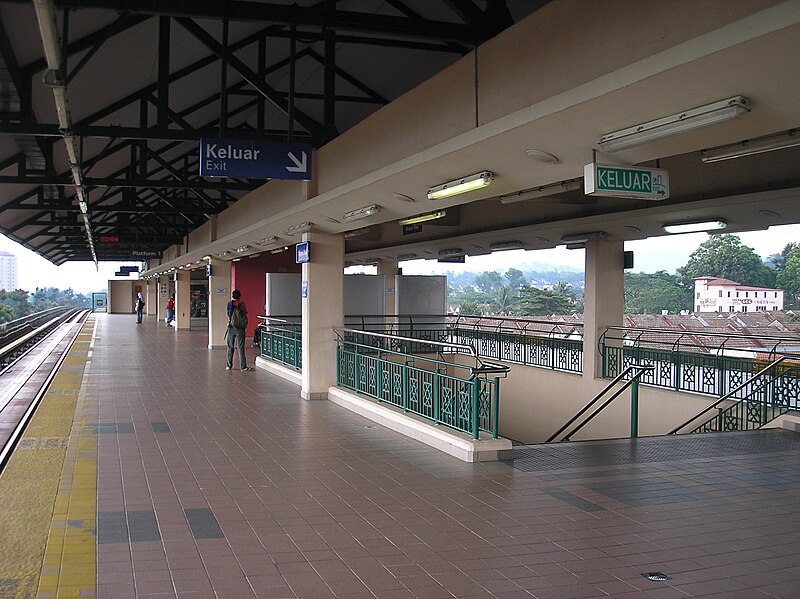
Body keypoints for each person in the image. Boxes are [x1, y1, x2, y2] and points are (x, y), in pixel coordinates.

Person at [226, 289, 252, 371]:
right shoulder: (242, 304)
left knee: (230, 347)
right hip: (240, 329)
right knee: (240, 348)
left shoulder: (230, 304)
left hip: (231, 327)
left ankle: (229, 365)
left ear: (232, 295)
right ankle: (243, 366)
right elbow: (245, 314)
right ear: (239, 296)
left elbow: (228, 314)